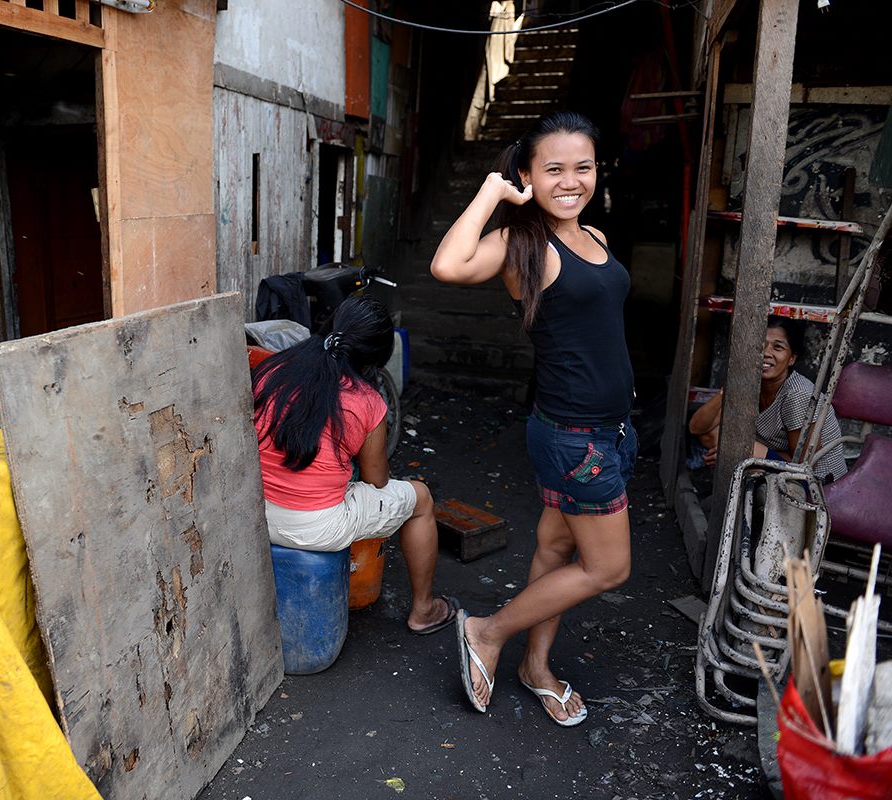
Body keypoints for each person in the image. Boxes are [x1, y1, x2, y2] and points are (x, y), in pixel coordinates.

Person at [430, 111, 636, 726]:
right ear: (527, 174)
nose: (571, 181)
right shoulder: (524, 245)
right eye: (554, 169)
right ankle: (488, 633)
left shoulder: (595, 235)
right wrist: (493, 192)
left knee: (555, 548)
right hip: (576, 439)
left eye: (583, 167)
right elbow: (448, 266)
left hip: (610, 429)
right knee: (608, 568)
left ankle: (536, 668)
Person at [252, 295, 457, 635]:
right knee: (420, 499)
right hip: (316, 528)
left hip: (257, 513)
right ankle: (424, 610)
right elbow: (376, 480)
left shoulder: (275, 369)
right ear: (375, 357)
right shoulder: (367, 401)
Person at [687, 316, 848, 483]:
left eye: (777, 347)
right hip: (780, 464)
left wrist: (738, 456)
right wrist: (730, 386)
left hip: (817, 482)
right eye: (760, 346)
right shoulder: (751, 383)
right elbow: (698, 428)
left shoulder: (797, 393)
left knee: (741, 447)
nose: (766, 353)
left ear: (791, 358)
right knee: (718, 437)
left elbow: (804, 462)